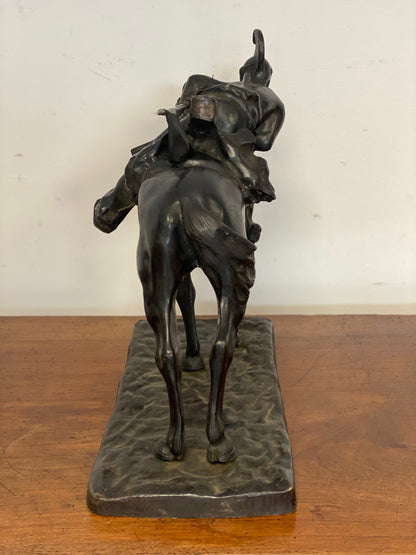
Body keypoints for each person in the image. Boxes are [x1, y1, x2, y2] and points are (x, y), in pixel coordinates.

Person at [94, 30, 285, 242]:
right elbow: (264, 143)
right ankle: (247, 225)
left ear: (242, 73)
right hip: (230, 138)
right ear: (268, 80)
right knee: (248, 179)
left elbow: (183, 103)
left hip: (195, 119)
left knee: (146, 157)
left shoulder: (205, 82)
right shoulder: (272, 100)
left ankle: (109, 210)